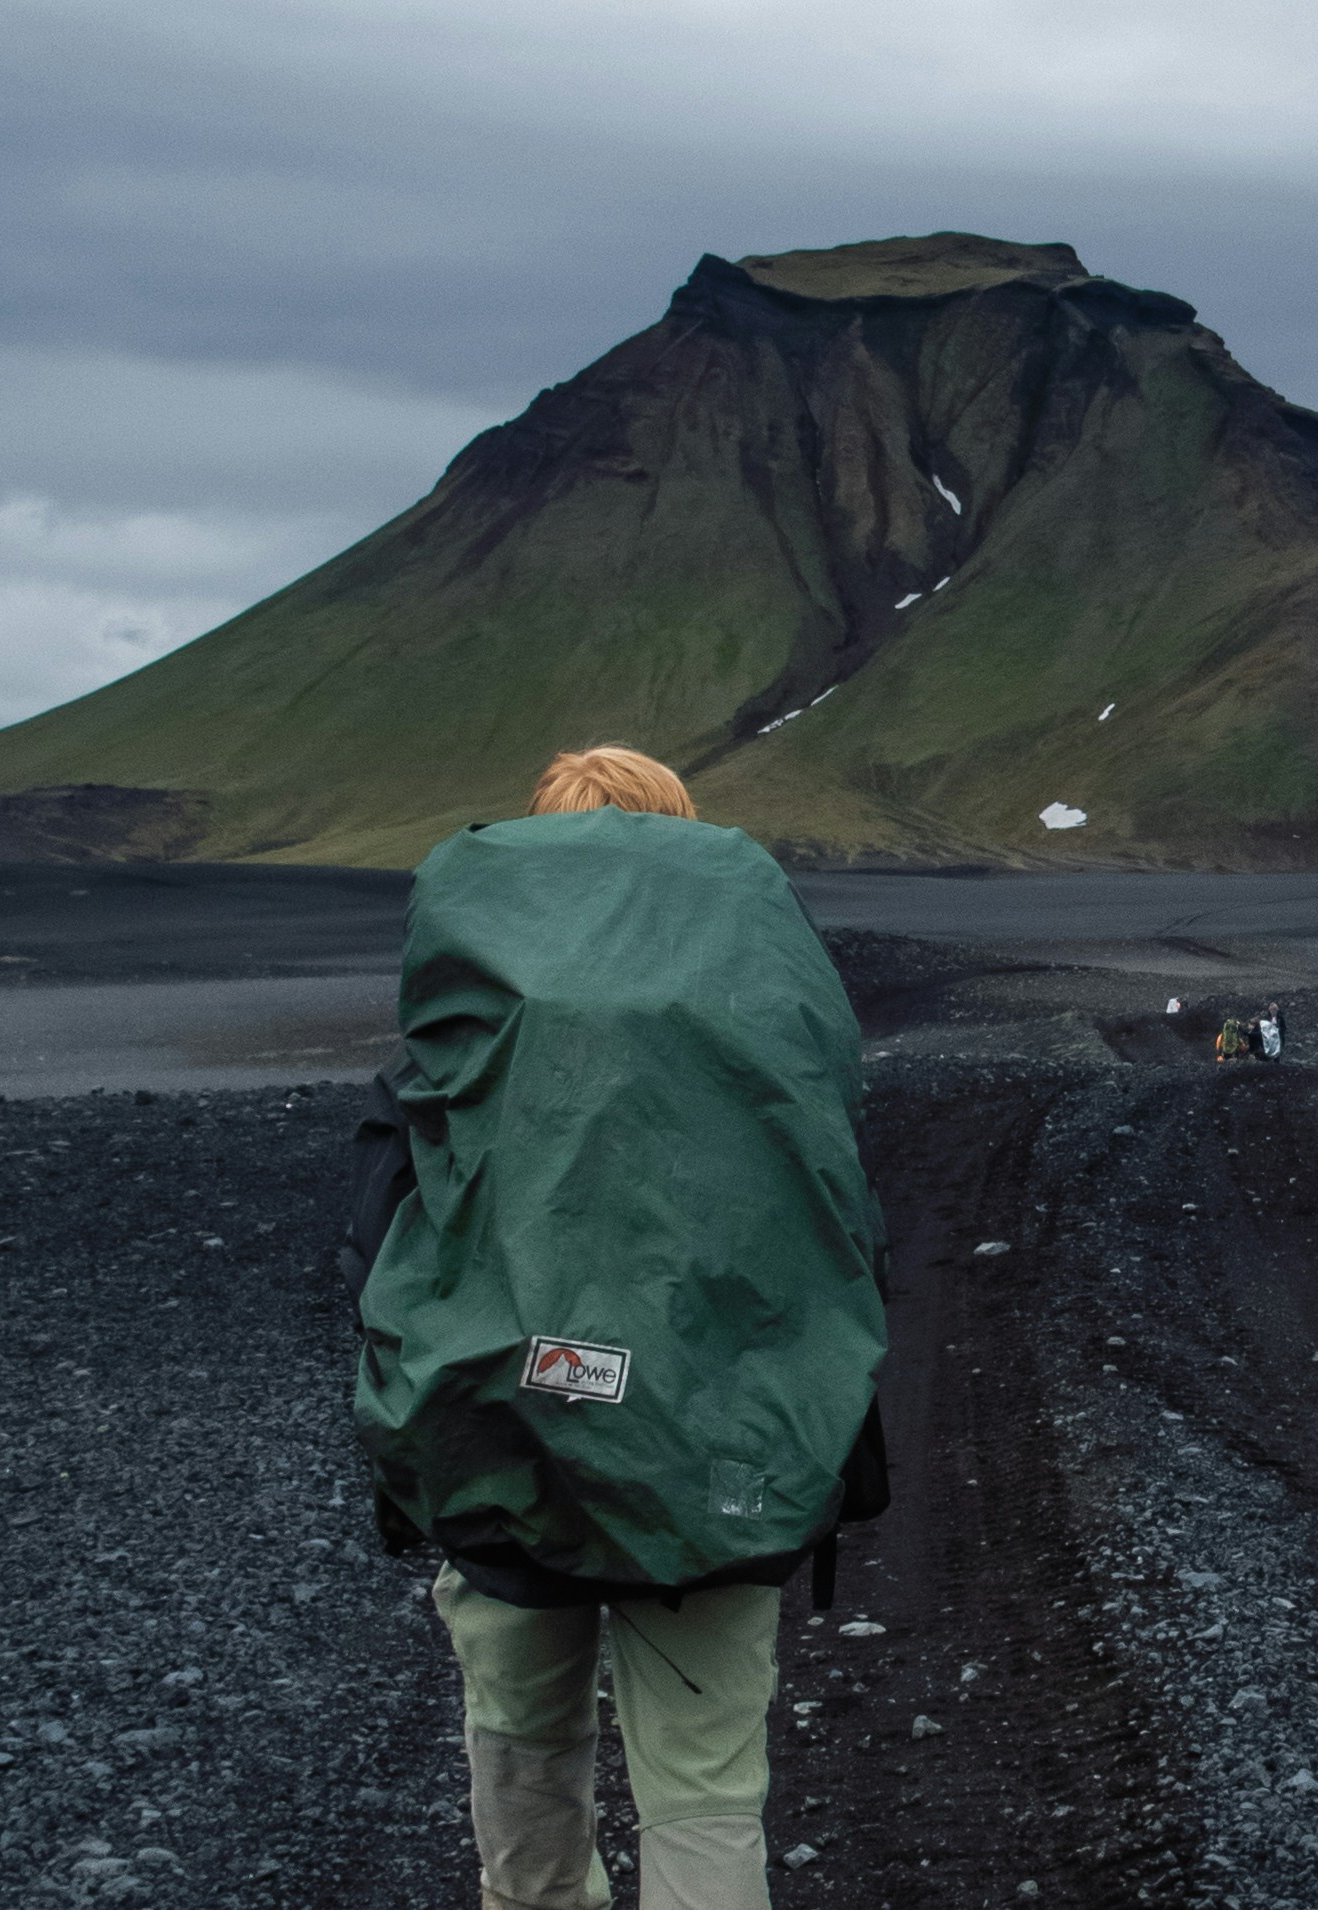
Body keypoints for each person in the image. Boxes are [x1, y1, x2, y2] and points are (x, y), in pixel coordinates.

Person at [345, 744, 889, 1910]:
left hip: (498, 1437)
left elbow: (373, 1241)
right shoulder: (773, 1029)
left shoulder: (464, 1041)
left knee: (521, 1751)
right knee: (703, 1787)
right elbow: (839, 1238)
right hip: (716, 1457)